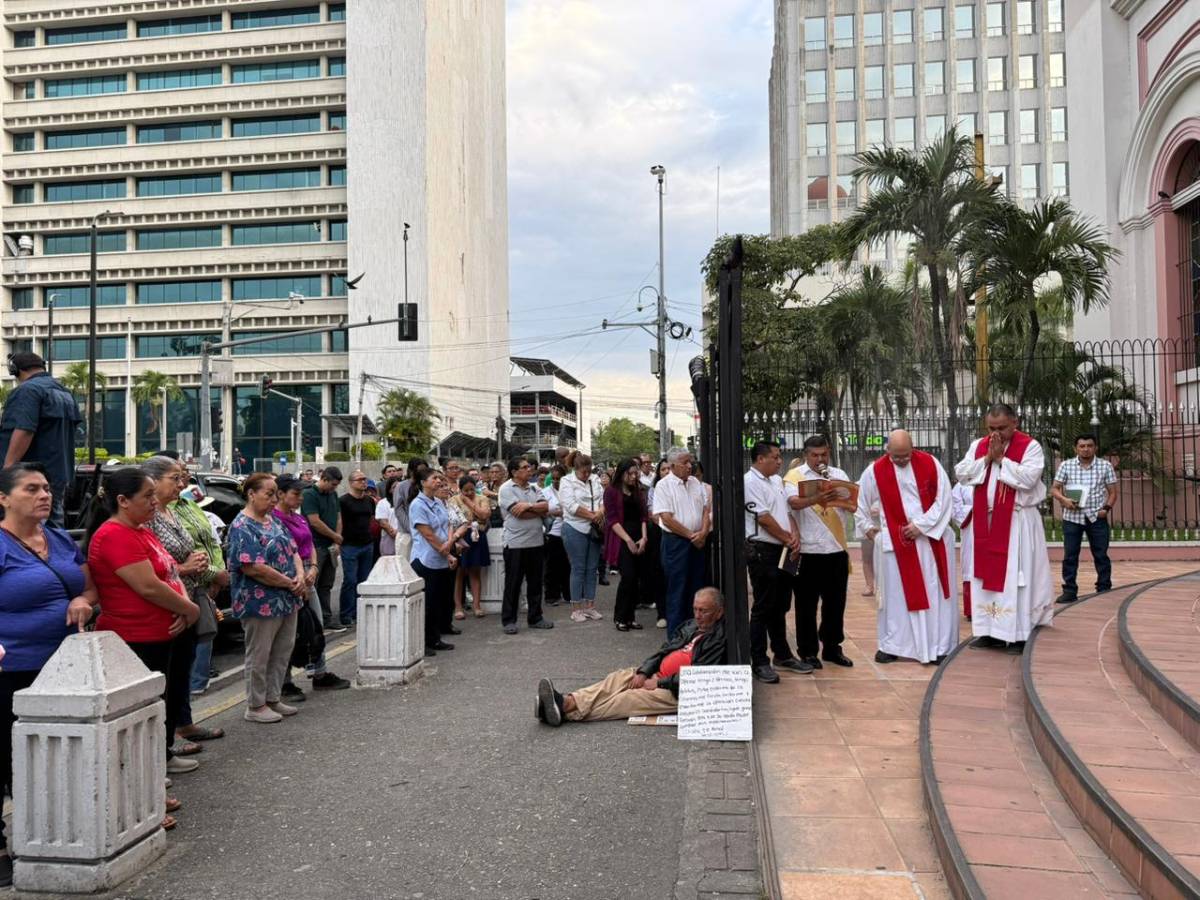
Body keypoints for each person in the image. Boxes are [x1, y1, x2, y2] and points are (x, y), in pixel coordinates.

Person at [86, 467, 199, 828]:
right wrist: (189, 608)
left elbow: (169, 574)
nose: (155, 502)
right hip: (135, 638)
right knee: (135, 728)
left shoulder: (139, 531)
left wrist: (180, 607)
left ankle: (146, 792)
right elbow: (148, 587)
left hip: (159, 635)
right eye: (147, 496)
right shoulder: (115, 535)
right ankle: (136, 803)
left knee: (152, 721)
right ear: (122, 501)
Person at [0, 463, 97, 881]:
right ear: (3, 498)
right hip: (12, 667)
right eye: (31, 489)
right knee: (4, 757)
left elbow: (91, 587)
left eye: (46, 488)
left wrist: (84, 603)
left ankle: (51, 833)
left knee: (54, 752)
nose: (45, 495)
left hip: (63, 665)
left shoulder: (57, 538)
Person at [535, 587, 727, 726]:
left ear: (719, 613)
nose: (698, 615)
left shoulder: (718, 638)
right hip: (657, 675)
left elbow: (699, 678)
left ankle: (560, 710)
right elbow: (663, 651)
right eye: (695, 609)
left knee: (627, 699)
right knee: (617, 679)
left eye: (704, 610)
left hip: (675, 691)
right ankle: (566, 702)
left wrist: (659, 683)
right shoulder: (691, 625)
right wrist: (645, 672)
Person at [955, 403, 1054, 648]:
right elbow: (963, 474)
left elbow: (1028, 479)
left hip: (1017, 522)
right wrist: (988, 457)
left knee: (1017, 578)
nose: (996, 433)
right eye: (991, 428)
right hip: (986, 523)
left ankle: (1019, 633)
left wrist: (1001, 460)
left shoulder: (1030, 446)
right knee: (985, 576)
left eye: (1002, 428)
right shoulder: (979, 446)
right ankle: (989, 631)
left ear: (1015, 422)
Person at [855, 430, 958, 665]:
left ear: (913, 448)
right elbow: (861, 502)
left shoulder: (931, 463)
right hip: (895, 545)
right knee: (895, 597)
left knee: (934, 594)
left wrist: (921, 526)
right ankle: (892, 645)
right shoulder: (874, 471)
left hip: (929, 543)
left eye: (906, 455)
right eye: (897, 456)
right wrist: (869, 529)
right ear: (887, 451)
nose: (902, 461)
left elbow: (944, 500)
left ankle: (938, 646)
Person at [141, 457, 213, 759]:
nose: (181, 485)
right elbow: (149, 570)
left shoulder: (172, 511)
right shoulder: (147, 518)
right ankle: (163, 749)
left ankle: (177, 730)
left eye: (182, 478)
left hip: (188, 597)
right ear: (153, 480)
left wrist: (200, 565)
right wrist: (184, 568)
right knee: (163, 680)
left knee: (181, 671)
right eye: (175, 478)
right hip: (166, 607)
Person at [227, 473, 305, 723]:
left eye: (275, 494)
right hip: (259, 601)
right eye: (268, 494)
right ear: (251, 494)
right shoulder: (242, 526)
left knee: (282, 651)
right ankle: (255, 704)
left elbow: (293, 550)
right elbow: (253, 567)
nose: (274, 500)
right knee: (259, 654)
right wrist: (289, 582)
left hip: (287, 598)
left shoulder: (273, 520)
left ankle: (273, 697)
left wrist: (300, 575)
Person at [272, 474, 351, 693]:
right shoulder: (274, 520)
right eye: (295, 494)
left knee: (315, 627)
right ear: (280, 494)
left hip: (308, 574)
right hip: (290, 578)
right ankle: (285, 681)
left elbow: (310, 543)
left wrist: (314, 568)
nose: (300, 499)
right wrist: (299, 576)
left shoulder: (297, 517)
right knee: (288, 635)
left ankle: (319, 672)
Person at [744, 441, 811, 684]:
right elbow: (763, 518)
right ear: (760, 459)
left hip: (783, 548)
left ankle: (782, 654)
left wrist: (794, 538)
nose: (779, 460)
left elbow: (787, 514)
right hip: (763, 551)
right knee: (763, 606)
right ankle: (759, 659)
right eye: (775, 457)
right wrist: (787, 539)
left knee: (780, 605)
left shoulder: (776, 481)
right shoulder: (749, 482)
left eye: (779, 456)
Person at [786, 435, 854, 669]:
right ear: (806, 455)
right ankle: (808, 651)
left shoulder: (839, 475)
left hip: (835, 549)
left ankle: (833, 648)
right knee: (806, 605)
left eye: (823, 454)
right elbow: (792, 503)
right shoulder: (794, 477)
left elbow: (852, 505)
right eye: (814, 455)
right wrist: (816, 498)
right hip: (807, 550)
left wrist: (847, 500)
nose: (819, 459)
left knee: (835, 604)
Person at [0, 353, 82, 528]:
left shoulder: (27, 391)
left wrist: (8, 469)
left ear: (16, 370)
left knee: (23, 532)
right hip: (57, 477)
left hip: (26, 479)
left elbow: (24, 429)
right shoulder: (65, 393)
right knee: (52, 531)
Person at [174, 483, 228, 702]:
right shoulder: (162, 516)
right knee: (198, 635)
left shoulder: (192, 510)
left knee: (205, 630)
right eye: (174, 477)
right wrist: (214, 574)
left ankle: (196, 682)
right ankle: (195, 683)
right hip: (190, 585)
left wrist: (217, 574)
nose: (179, 482)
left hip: (204, 582)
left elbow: (213, 547)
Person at [1051, 433, 1118, 603]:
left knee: (1101, 554)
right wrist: (1064, 500)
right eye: (1082, 446)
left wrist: (1106, 508)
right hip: (1072, 517)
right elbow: (1055, 489)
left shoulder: (1105, 466)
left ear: (1095, 447)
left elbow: (1112, 492)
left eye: (1089, 446)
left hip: (1096, 516)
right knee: (1070, 555)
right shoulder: (1066, 465)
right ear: (1076, 448)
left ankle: (1104, 587)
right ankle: (1069, 590)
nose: (1086, 449)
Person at [652, 447, 710, 637]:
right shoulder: (664, 485)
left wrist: (702, 532)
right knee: (677, 589)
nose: (689, 466)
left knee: (696, 588)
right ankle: (676, 639)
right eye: (685, 462)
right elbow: (666, 518)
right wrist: (691, 535)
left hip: (698, 540)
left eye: (690, 462)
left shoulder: (695, 483)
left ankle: (695, 634)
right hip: (677, 543)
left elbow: (705, 511)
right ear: (673, 465)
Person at [498, 457, 554, 635]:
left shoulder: (534, 488)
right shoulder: (506, 489)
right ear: (514, 472)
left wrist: (528, 506)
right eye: (524, 467)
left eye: (529, 467)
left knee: (535, 583)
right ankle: (509, 620)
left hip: (536, 542)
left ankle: (535, 617)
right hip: (515, 544)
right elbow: (517, 514)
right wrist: (535, 511)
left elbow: (545, 508)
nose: (529, 470)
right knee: (513, 584)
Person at [409, 469, 456, 655]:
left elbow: (448, 524)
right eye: (434, 478)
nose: (438, 481)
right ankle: (423, 643)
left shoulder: (437, 501)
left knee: (439, 602)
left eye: (439, 478)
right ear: (423, 482)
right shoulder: (417, 505)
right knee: (427, 604)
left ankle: (435, 638)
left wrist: (450, 546)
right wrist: (447, 553)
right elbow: (428, 534)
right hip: (426, 559)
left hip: (441, 559)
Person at [558, 451, 606, 623]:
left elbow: (602, 499)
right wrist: (592, 516)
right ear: (576, 469)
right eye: (583, 472)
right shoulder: (566, 481)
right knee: (578, 568)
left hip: (594, 528)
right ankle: (576, 608)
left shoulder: (594, 479)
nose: (586, 475)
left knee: (592, 568)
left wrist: (600, 512)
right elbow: (570, 505)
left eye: (588, 471)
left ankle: (590, 606)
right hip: (574, 527)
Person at [607, 458, 651, 631]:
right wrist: (628, 540)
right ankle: (620, 617)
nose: (634, 477)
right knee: (628, 577)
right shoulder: (611, 491)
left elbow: (644, 516)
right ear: (622, 473)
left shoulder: (638, 491)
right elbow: (612, 520)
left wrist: (644, 538)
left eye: (636, 473)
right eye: (630, 473)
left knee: (637, 579)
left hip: (639, 536)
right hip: (622, 538)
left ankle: (631, 617)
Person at [301, 467, 345, 631]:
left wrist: (337, 539)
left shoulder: (332, 494)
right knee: (313, 584)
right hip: (316, 545)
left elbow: (338, 516)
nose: (334, 488)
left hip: (331, 545)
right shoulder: (309, 495)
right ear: (324, 479)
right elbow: (314, 521)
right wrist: (335, 536)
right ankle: (312, 620)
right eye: (332, 484)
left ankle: (326, 618)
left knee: (327, 584)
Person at [337, 469, 376, 627]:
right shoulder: (343, 501)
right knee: (350, 580)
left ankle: (360, 612)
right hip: (349, 545)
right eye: (359, 479)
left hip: (367, 544)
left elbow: (372, 519)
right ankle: (346, 613)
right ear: (351, 483)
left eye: (364, 479)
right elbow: (339, 522)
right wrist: (338, 542)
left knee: (364, 580)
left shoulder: (369, 501)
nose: (363, 482)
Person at [449, 474, 490, 619]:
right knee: (459, 572)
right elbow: (452, 521)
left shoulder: (482, 499)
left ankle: (477, 606)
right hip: (460, 536)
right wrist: (455, 540)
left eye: (471, 490)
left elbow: (484, 515)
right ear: (460, 489)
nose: (469, 493)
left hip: (477, 536)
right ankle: (458, 607)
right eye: (465, 491)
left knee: (475, 572)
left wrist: (468, 502)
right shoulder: (453, 500)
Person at [647, 458, 670, 628]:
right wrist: (667, 523)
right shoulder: (653, 490)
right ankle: (662, 613)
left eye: (670, 468)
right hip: (659, 533)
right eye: (663, 469)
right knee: (659, 572)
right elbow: (652, 513)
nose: (667, 472)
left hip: (677, 534)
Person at [542, 465, 570, 606]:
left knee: (567, 565)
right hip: (553, 532)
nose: (555, 481)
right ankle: (552, 595)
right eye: (553, 478)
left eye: (558, 478)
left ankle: (568, 594)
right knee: (552, 565)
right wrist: (557, 512)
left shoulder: (570, 491)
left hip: (570, 531)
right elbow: (542, 510)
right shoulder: (545, 492)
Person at [392, 458, 429, 537]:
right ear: (411, 471)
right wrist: (412, 529)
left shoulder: (427, 485)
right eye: (420, 470)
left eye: (425, 470)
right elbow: (399, 510)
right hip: (407, 534)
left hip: (427, 532)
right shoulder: (401, 486)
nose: (423, 473)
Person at [376, 475, 400, 557]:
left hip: (404, 538)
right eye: (394, 487)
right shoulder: (383, 503)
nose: (397, 489)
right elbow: (383, 522)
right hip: (389, 538)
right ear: (389, 490)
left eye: (399, 486)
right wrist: (395, 533)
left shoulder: (406, 502)